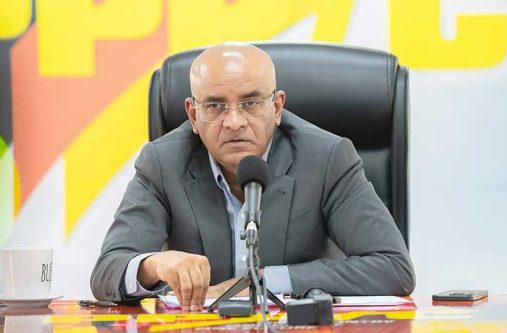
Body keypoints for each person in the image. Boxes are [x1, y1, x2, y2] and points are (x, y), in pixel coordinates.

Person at [91, 42, 415, 311]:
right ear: (193, 114)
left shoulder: (326, 158)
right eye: (215, 106)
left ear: (277, 108)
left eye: (250, 103)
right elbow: (107, 272)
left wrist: (260, 281)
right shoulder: (163, 161)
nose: (234, 122)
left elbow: (393, 269)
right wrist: (154, 264)